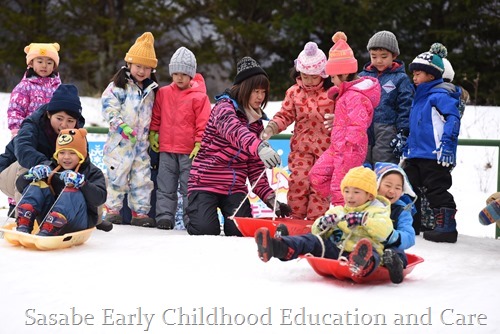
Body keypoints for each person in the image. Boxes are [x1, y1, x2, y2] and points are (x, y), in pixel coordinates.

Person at [186, 56, 291, 236]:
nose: (260, 97)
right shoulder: (224, 108)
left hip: (234, 189)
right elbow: (235, 131)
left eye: (263, 92)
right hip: (205, 183)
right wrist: (259, 147)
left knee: (239, 230)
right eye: (256, 91)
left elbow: (255, 168)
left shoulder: (257, 124)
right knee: (205, 229)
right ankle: (194, 211)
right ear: (244, 89)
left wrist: (271, 199)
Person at [255, 166, 396, 280]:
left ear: (369, 195)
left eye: (356, 192)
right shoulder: (340, 210)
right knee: (312, 240)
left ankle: (362, 263)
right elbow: (317, 231)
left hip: (362, 250)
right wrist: (323, 223)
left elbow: (385, 232)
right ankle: (277, 247)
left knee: (374, 253)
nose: (350, 196)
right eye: (346, 191)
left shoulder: (378, 210)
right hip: (336, 248)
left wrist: (364, 220)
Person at [259, 42, 333, 221]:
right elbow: (285, 114)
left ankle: (316, 221)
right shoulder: (294, 93)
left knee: (320, 186)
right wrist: (272, 127)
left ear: (323, 74)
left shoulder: (332, 93)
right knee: (299, 181)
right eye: (305, 76)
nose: (308, 80)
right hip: (301, 148)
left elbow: (343, 115)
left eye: (313, 77)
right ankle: (296, 219)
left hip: (326, 150)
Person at [309, 31, 381, 206]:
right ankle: (343, 206)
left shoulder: (356, 96)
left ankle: (344, 218)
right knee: (316, 175)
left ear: (344, 74)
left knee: (340, 186)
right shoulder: (346, 94)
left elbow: (358, 124)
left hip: (350, 150)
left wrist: (348, 144)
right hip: (337, 147)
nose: (331, 81)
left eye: (333, 77)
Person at [402, 43, 461, 243]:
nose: (414, 77)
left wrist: (447, 145)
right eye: (414, 74)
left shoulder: (440, 95)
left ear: (431, 75)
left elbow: (452, 119)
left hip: (434, 154)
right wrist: (405, 143)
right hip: (415, 153)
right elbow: (417, 126)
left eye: (418, 74)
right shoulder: (418, 98)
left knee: (436, 188)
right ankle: (412, 222)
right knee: (408, 186)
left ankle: (446, 227)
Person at [149, 46, 211, 230]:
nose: (179, 77)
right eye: (175, 73)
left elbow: (204, 122)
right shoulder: (163, 92)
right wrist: (154, 132)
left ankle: (190, 219)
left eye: (184, 73)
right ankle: (164, 217)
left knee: (188, 188)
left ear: (191, 74)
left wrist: (200, 142)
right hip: (167, 149)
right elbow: (157, 115)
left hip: (189, 151)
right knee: (165, 186)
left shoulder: (199, 97)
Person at [101, 32, 158, 227]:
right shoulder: (119, 86)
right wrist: (120, 125)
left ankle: (140, 213)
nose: (142, 71)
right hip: (120, 143)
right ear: (129, 64)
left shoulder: (152, 91)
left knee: (142, 179)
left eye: (146, 67)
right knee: (117, 176)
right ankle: (113, 210)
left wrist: (154, 132)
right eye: (138, 66)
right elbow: (109, 108)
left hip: (141, 145)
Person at [14, 128, 106, 236]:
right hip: (47, 222)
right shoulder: (50, 167)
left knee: (72, 190)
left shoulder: (92, 172)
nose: (66, 157)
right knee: (37, 185)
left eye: (72, 153)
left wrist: (82, 183)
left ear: (82, 155)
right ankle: (24, 223)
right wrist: (31, 174)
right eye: (62, 152)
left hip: (78, 221)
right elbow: (20, 186)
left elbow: (99, 198)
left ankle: (52, 226)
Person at [6, 42, 62, 215]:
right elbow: (15, 110)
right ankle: (15, 202)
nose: (44, 65)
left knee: (48, 164)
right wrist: (18, 131)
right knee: (23, 166)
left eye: (49, 62)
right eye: (40, 61)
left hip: (51, 136)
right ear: (31, 63)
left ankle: (47, 198)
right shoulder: (25, 86)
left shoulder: (58, 86)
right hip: (28, 136)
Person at [358, 31, 414, 166]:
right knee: (361, 165)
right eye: (374, 56)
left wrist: (403, 130)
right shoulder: (362, 77)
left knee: (383, 164)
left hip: (387, 128)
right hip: (362, 128)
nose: (378, 60)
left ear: (393, 55)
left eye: (384, 56)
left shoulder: (400, 78)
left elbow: (405, 106)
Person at [373, 162, 416, 283]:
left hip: (389, 246)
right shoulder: (367, 204)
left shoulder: (401, 211)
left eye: (398, 188)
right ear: (377, 185)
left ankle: (395, 263)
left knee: (396, 252)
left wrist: (392, 237)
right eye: (388, 185)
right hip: (368, 243)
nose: (392, 191)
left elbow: (409, 236)